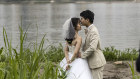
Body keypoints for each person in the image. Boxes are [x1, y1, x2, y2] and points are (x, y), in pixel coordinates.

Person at [79, 10, 106, 79]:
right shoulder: (89, 29)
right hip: (92, 62)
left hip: (96, 63)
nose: (80, 20)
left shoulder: (93, 31)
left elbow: (92, 48)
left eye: (81, 18)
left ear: (87, 20)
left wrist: (82, 55)